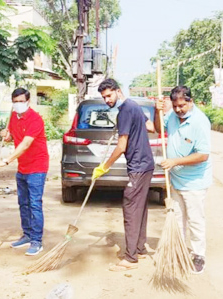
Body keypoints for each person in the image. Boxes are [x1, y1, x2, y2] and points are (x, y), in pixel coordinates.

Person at [93, 78, 155, 271]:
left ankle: (130, 258)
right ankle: (139, 248)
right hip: (147, 164)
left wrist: (105, 166)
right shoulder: (134, 106)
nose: (107, 100)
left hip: (138, 165)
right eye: (104, 98)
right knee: (140, 208)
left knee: (130, 207)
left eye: (109, 95)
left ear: (118, 91)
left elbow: (122, 146)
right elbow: (151, 127)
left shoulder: (126, 111)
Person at [154, 86, 212, 274]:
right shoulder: (171, 116)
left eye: (182, 106)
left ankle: (198, 255)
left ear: (190, 102)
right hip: (176, 179)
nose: (178, 109)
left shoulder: (199, 122)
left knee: (195, 220)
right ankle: (176, 251)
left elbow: (203, 155)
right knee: (177, 219)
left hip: (194, 182)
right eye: (175, 105)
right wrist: (158, 110)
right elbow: (157, 128)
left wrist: (175, 161)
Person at [0, 88, 49, 256]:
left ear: (28, 102)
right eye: (15, 102)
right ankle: (27, 235)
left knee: (34, 204)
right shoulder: (13, 116)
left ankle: (36, 241)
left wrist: (6, 161)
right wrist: (5, 134)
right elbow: (12, 136)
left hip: (37, 167)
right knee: (23, 204)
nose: (18, 104)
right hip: (23, 166)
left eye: (21, 101)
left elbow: (25, 144)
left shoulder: (35, 119)